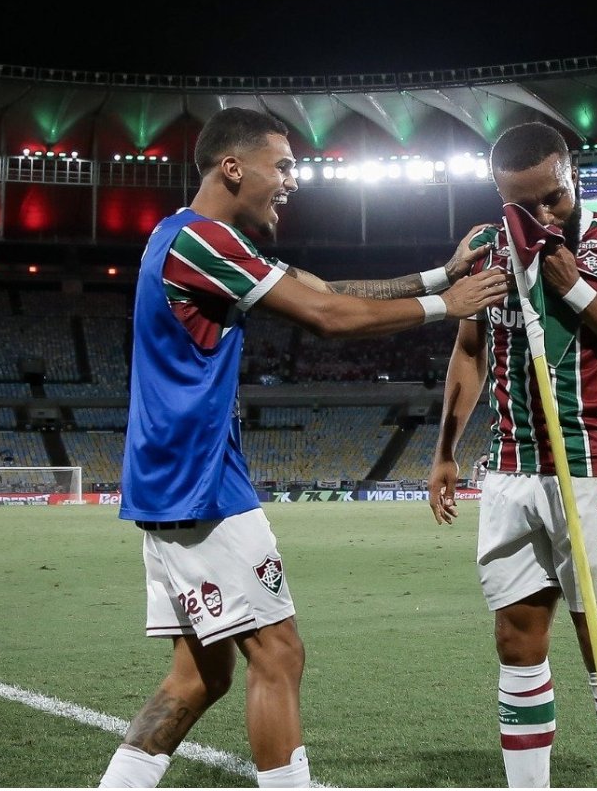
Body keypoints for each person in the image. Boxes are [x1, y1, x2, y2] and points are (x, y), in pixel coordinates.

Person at [98, 107, 508, 789]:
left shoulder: (196, 240)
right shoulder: (200, 240)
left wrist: (439, 277)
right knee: (279, 654)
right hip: (201, 485)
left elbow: (322, 289)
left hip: (169, 483)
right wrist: (450, 306)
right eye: (282, 166)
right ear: (233, 167)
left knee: (200, 675)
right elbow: (327, 317)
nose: (292, 181)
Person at [428, 121, 597, 788]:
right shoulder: (485, 249)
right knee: (516, 641)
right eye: (521, 203)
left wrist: (576, 288)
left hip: (591, 468)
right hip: (509, 469)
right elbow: (470, 351)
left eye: (551, 198)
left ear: (571, 171)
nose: (539, 215)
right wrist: (445, 449)